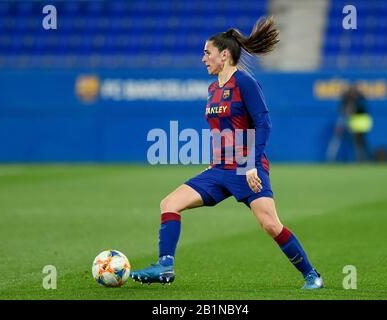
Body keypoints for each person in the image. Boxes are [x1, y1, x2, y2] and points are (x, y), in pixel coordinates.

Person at [131, 16, 324, 290]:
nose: (203, 58)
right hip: (220, 168)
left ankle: (312, 275)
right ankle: (165, 265)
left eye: (207, 53)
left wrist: (254, 164)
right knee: (169, 204)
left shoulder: (244, 82)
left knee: (270, 224)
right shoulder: (213, 89)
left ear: (224, 55)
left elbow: (264, 124)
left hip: (246, 166)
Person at [327, 84, 372, 162]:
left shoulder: (360, 99)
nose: (352, 93)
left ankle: (362, 158)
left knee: (360, 142)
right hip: (349, 120)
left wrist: (353, 108)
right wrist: (346, 111)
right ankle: (332, 157)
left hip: (358, 122)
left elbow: (362, 108)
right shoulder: (346, 98)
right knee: (349, 141)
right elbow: (341, 109)